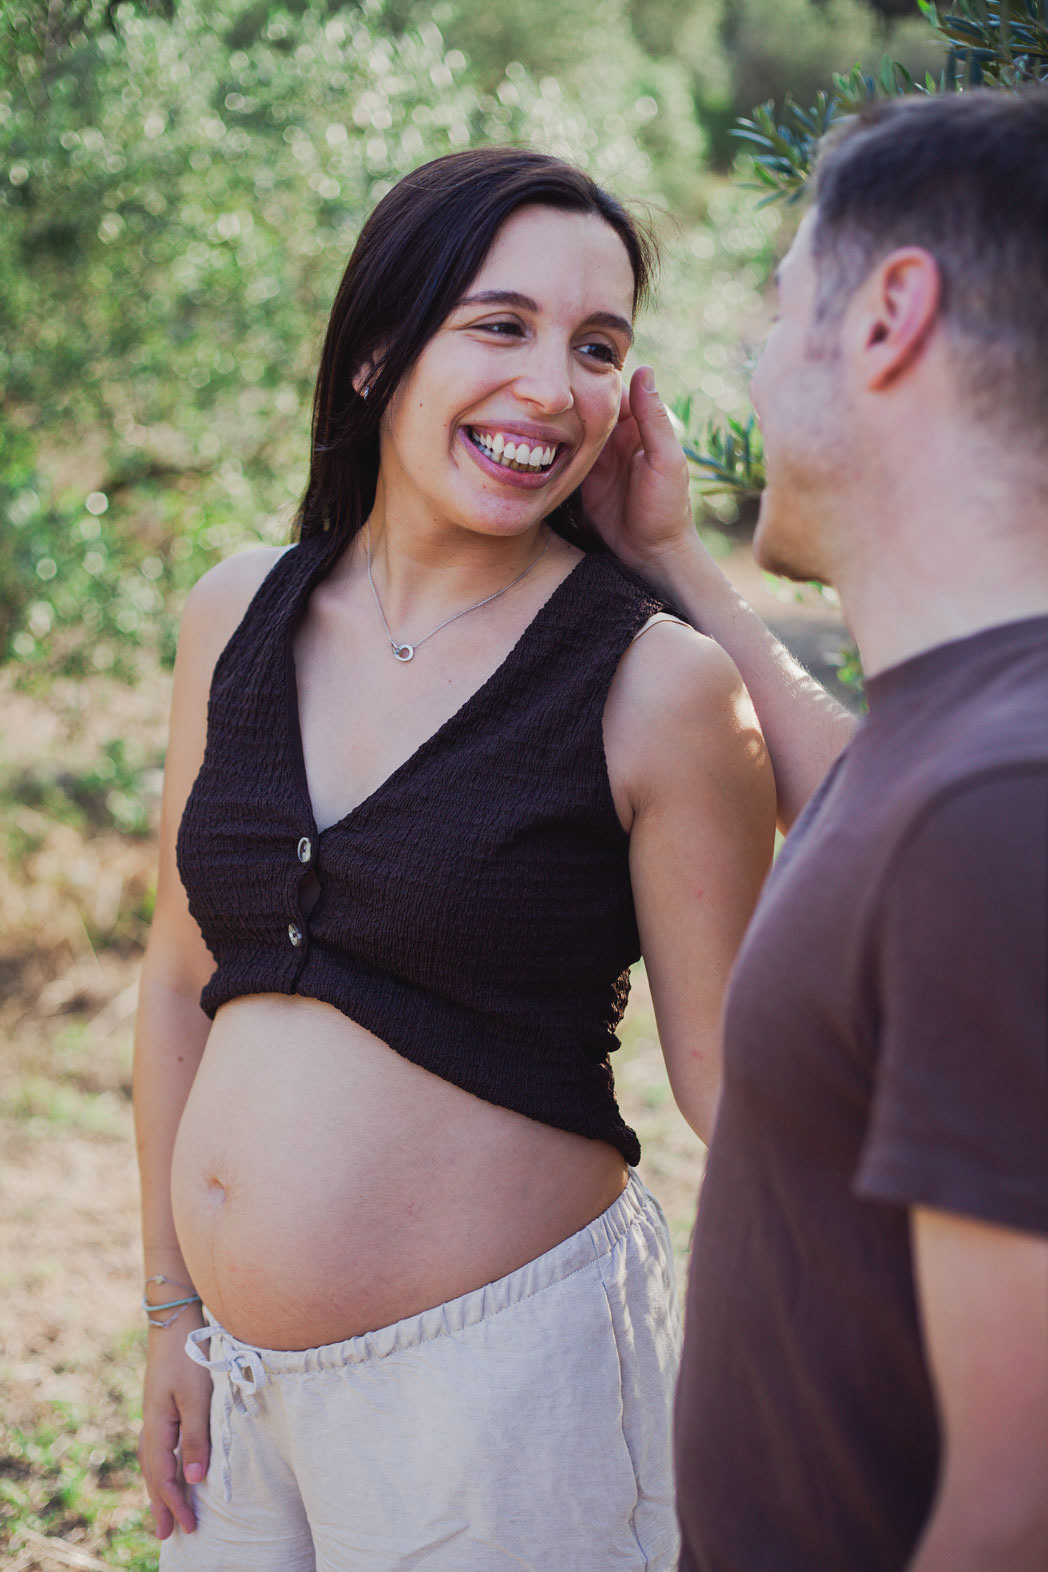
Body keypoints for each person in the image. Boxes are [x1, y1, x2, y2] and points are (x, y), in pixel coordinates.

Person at [133, 147, 777, 1572]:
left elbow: (734, 1084)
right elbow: (181, 978)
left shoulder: (658, 685)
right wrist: (172, 1310)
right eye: (502, 325)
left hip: (503, 1401)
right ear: (377, 353)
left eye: (596, 347)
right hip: (238, 1397)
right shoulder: (236, 613)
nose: (552, 387)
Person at [604, 90, 1048, 1570]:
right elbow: (859, 788)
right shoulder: (960, 741)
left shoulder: (999, 809)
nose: (752, 356)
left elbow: (1019, 1509)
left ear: (888, 316)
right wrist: (672, 555)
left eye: (782, 303)